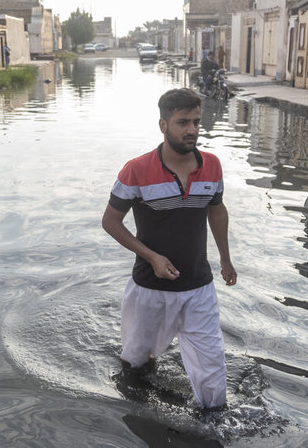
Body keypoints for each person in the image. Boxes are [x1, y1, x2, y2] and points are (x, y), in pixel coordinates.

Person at [101, 88, 238, 410]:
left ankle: (214, 421)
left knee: (211, 368)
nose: (191, 130)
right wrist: (152, 257)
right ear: (163, 125)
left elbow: (216, 209)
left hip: (199, 286)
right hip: (149, 288)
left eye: (195, 122)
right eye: (182, 123)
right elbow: (111, 222)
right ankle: (139, 416)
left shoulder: (212, 165)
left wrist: (226, 261)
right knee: (136, 364)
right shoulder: (136, 170)